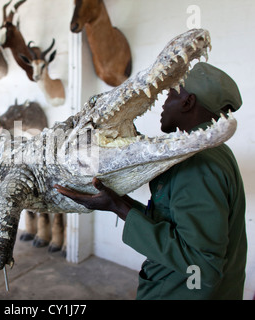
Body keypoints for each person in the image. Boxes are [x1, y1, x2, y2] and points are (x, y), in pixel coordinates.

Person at [55, 62, 247, 300]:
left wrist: (119, 207)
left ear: (187, 103)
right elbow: (173, 224)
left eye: (169, 95)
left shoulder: (196, 165)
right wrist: (117, 203)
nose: (164, 104)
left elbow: (200, 267)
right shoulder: (212, 151)